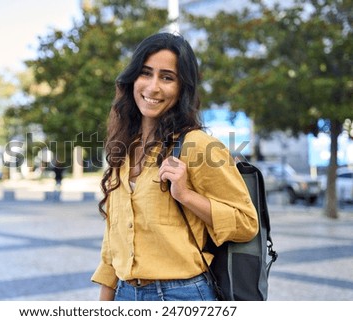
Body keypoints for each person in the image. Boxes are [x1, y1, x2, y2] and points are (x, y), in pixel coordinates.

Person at [91, 32, 258, 301]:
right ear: (133, 78)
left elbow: (246, 223)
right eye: (146, 73)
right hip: (124, 294)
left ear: (182, 88)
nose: (153, 87)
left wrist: (186, 195)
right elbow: (113, 241)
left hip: (181, 296)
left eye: (167, 77)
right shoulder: (123, 148)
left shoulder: (198, 145)